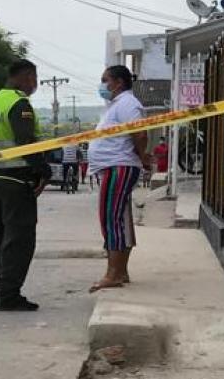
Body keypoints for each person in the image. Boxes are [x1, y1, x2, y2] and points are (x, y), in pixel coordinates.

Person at [0, 59, 52, 312]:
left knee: (1, 237)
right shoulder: (19, 103)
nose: (35, 85)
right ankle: (8, 294)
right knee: (19, 239)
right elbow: (26, 142)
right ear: (25, 77)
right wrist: (44, 170)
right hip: (15, 179)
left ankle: (3, 284)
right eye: (34, 79)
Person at [88, 65, 149, 293]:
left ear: (119, 82)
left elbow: (140, 134)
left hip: (119, 167)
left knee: (110, 218)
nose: (102, 85)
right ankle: (120, 270)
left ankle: (112, 274)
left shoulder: (128, 104)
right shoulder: (116, 105)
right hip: (114, 167)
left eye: (105, 80)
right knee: (119, 219)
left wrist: (143, 158)